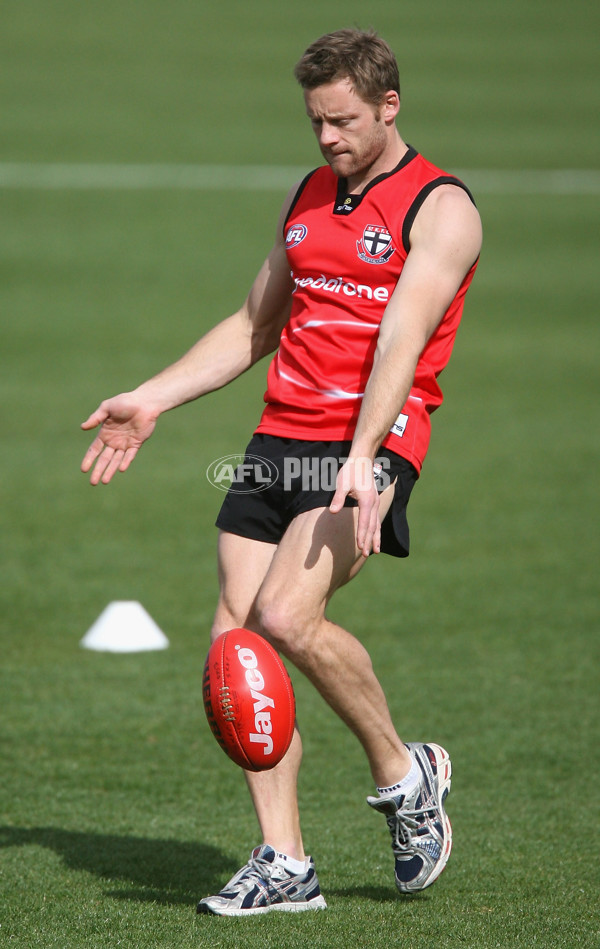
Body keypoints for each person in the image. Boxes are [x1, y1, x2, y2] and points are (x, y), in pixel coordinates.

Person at [81, 28, 482, 916]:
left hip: (366, 443)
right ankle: (285, 862)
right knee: (238, 650)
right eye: (316, 123)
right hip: (277, 441)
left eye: (344, 121)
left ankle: (403, 771)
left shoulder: (441, 208)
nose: (329, 139)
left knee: (288, 614)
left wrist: (367, 457)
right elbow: (253, 325)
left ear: (389, 105)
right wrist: (151, 397)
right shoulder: (310, 196)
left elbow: (401, 343)